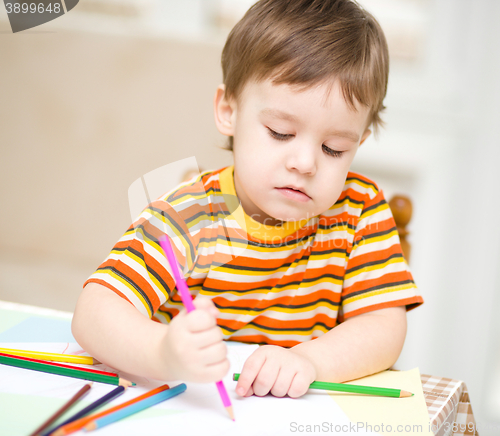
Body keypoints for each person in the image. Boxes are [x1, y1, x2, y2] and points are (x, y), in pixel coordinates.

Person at [72, 0, 423, 399]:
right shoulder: (190, 213)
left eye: (333, 148)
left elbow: (383, 325)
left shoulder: (358, 209)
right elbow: (95, 312)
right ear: (228, 111)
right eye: (280, 132)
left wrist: (310, 361)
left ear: (358, 143)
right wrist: (162, 353)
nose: (305, 162)